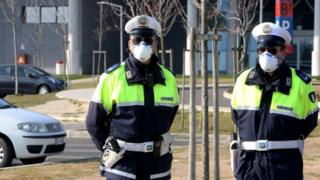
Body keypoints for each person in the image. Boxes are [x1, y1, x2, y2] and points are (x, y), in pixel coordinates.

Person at [86, 15, 179, 180]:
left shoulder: (169, 79)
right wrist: (108, 149)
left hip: (158, 165)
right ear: (129, 44)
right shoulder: (112, 77)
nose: (142, 44)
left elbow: (169, 117)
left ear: (155, 44)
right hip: (122, 166)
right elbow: (94, 121)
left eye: (148, 40)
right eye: (137, 40)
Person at [230, 22, 319, 180]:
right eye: (262, 50)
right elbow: (237, 117)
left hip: (284, 167)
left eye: (272, 50)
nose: (266, 55)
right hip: (248, 166)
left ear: (284, 51)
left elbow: (309, 122)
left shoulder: (300, 83)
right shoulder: (243, 80)